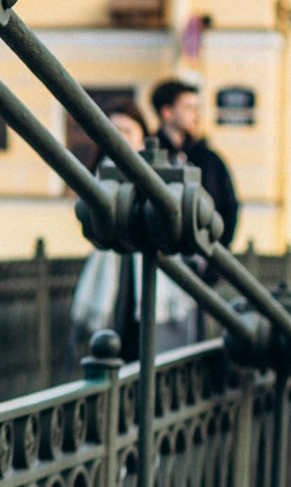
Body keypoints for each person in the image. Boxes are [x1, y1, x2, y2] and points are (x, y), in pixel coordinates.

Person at [69, 107, 199, 361]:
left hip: (147, 261)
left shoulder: (160, 170)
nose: (120, 137)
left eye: (127, 131)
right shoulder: (101, 173)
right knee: (115, 331)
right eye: (114, 130)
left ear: (142, 136)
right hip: (114, 263)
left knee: (146, 336)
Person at [152, 79, 239, 250]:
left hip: (202, 261)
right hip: (160, 258)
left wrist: (214, 256)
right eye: (188, 108)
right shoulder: (149, 156)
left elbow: (228, 207)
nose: (196, 115)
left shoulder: (208, 159)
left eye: (196, 108)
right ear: (167, 112)